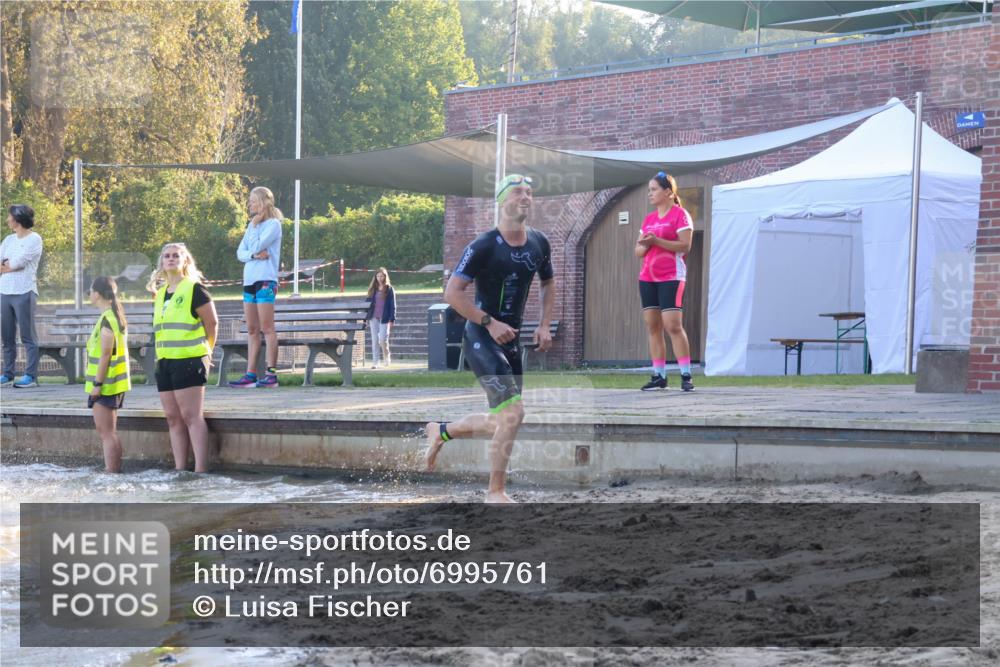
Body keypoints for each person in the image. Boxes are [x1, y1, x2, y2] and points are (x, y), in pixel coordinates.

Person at [425, 174, 555, 503]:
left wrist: (544, 324)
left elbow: (547, 283)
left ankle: (441, 431)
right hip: (482, 336)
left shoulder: (539, 242)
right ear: (501, 200)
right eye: (517, 192)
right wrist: (489, 321)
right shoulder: (482, 246)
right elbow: (452, 294)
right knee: (514, 414)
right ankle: (495, 492)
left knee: (503, 419)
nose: (525, 197)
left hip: (510, 341)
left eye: (529, 192)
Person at [147, 243, 218, 473]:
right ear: (161, 262)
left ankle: (200, 470)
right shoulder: (160, 294)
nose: (170, 259)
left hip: (189, 359)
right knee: (172, 417)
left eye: (176, 255)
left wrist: (208, 350)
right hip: (165, 361)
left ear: (185, 260)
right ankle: (180, 469)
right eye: (166, 256)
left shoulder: (194, 289)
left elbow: (212, 323)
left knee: (191, 416)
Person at [635, 171, 695, 392]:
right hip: (647, 278)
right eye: (649, 190)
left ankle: (686, 375)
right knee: (653, 326)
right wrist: (647, 244)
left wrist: (657, 240)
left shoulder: (681, 215)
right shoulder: (648, 219)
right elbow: (638, 250)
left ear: (668, 192)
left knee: (673, 326)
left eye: (654, 189)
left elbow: (685, 246)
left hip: (671, 277)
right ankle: (659, 375)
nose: (650, 194)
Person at [231, 186, 283, 388]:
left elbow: (254, 246)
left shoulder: (273, 224)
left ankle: (271, 374)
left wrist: (253, 246)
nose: (249, 204)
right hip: (249, 280)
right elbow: (241, 253)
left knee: (267, 328)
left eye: (253, 201)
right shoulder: (251, 226)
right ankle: (250, 373)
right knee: (252, 329)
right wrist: (253, 255)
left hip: (265, 281)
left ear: (262, 202)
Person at [85, 276, 131, 473]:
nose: (89, 293)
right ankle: (112, 469)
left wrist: (97, 384)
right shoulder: (111, 316)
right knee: (107, 431)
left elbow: (105, 355)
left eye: (91, 290)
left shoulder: (108, 320)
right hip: (110, 383)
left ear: (98, 294)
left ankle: (112, 471)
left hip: (106, 384)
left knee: (107, 432)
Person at [0, 204, 43, 388]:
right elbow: (3, 261)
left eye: (10, 217)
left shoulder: (34, 239)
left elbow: (18, 262)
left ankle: (30, 376)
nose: (7, 220)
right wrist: (8, 265)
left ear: (18, 219)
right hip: (5, 292)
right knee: (7, 337)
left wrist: (9, 264)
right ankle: (8, 374)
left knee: (28, 336)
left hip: (25, 292)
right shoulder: (8, 239)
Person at [365, 267, 396, 368]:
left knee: (382, 339)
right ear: (375, 277)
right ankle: (375, 362)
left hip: (385, 317)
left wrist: (392, 318)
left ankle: (387, 357)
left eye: (381, 276)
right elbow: (367, 303)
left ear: (385, 277)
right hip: (373, 317)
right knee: (374, 340)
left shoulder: (389, 289)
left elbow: (392, 305)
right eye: (378, 276)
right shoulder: (372, 289)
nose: (379, 278)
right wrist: (365, 317)